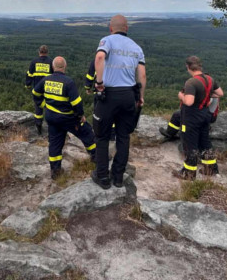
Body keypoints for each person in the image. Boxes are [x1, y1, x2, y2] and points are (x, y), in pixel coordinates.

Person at [91, 15, 146, 189]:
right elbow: (142, 76)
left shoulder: (107, 40)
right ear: (127, 28)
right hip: (129, 96)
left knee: (102, 136)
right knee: (123, 137)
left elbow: (99, 58)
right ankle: (118, 177)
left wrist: (99, 84)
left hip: (109, 96)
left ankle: (102, 177)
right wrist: (140, 96)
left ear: (110, 28)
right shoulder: (136, 47)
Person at [32, 57, 96, 179]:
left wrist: (43, 105)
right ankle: (96, 157)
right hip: (68, 118)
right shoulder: (68, 82)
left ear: (53, 66)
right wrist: (80, 116)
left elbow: (35, 93)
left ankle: (55, 172)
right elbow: (77, 103)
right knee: (87, 132)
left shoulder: (46, 80)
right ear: (64, 67)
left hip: (51, 118)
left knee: (55, 144)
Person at [175, 55, 223, 180]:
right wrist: (205, 94)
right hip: (205, 115)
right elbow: (220, 93)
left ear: (188, 67)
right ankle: (211, 169)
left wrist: (181, 95)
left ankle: (188, 174)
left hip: (191, 117)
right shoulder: (210, 79)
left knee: (190, 145)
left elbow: (189, 102)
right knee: (205, 143)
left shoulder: (191, 82)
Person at [25, 45, 54, 134]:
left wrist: (28, 85)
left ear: (39, 52)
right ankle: (51, 128)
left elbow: (29, 74)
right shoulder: (51, 62)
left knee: (38, 108)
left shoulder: (34, 62)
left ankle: (39, 127)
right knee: (50, 107)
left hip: (37, 89)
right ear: (47, 52)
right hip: (48, 90)